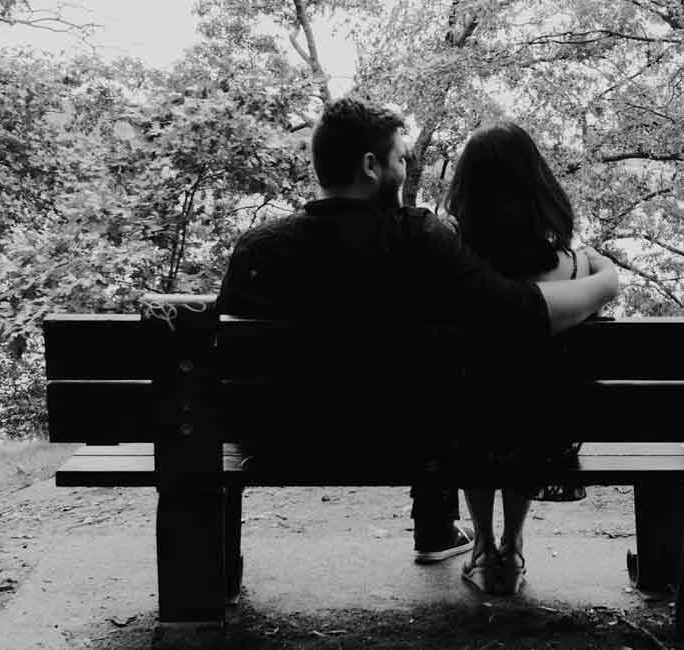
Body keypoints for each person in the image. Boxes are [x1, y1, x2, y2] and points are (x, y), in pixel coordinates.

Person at [216, 97, 618, 566]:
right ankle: (442, 529)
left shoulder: (259, 248)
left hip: (274, 442)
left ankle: (214, 571)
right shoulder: (418, 239)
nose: (406, 168)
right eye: (401, 159)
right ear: (371, 166)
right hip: (403, 445)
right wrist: (604, 282)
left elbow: (225, 355)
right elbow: (516, 314)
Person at [444, 120, 615, 595]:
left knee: (475, 412)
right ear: (539, 188)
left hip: (464, 434)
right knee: (529, 409)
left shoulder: (453, 269)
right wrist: (606, 273)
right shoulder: (577, 270)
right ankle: (513, 545)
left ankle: (483, 547)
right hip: (545, 436)